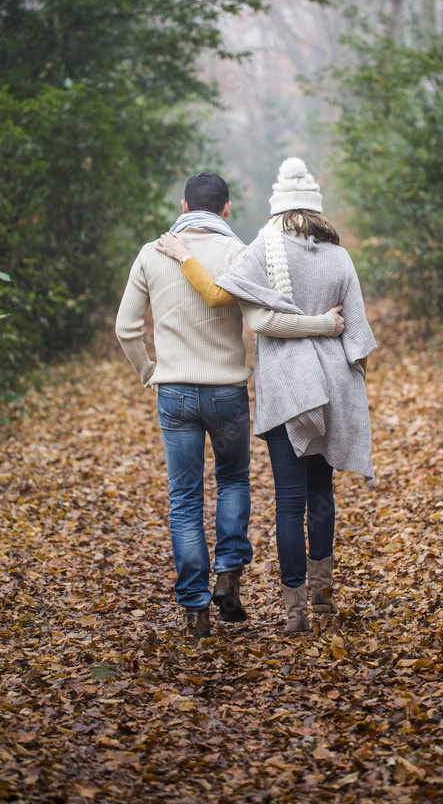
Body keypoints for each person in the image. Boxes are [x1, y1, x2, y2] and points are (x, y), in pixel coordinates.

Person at [115, 171, 344, 639]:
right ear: (226, 209)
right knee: (233, 480)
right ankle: (229, 573)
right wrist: (322, 324)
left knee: (184, 498)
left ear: (183, 208)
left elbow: (126, 329)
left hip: (175, 390)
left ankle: (195, 607)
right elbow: (262, 318)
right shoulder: (240, 252)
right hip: (227, 391)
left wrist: (150, 372)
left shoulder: (150, 253)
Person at [157, 158, 376, 634]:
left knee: (289, 501)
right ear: (316, 210)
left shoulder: (262, 249)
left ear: (278, 209)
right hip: (332, 385)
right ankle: (321, 595)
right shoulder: (339, 257)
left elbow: (256, 321)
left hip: (285, 388)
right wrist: (339, 356)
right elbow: (357, 338)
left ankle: (294, 611)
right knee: (322, 492)